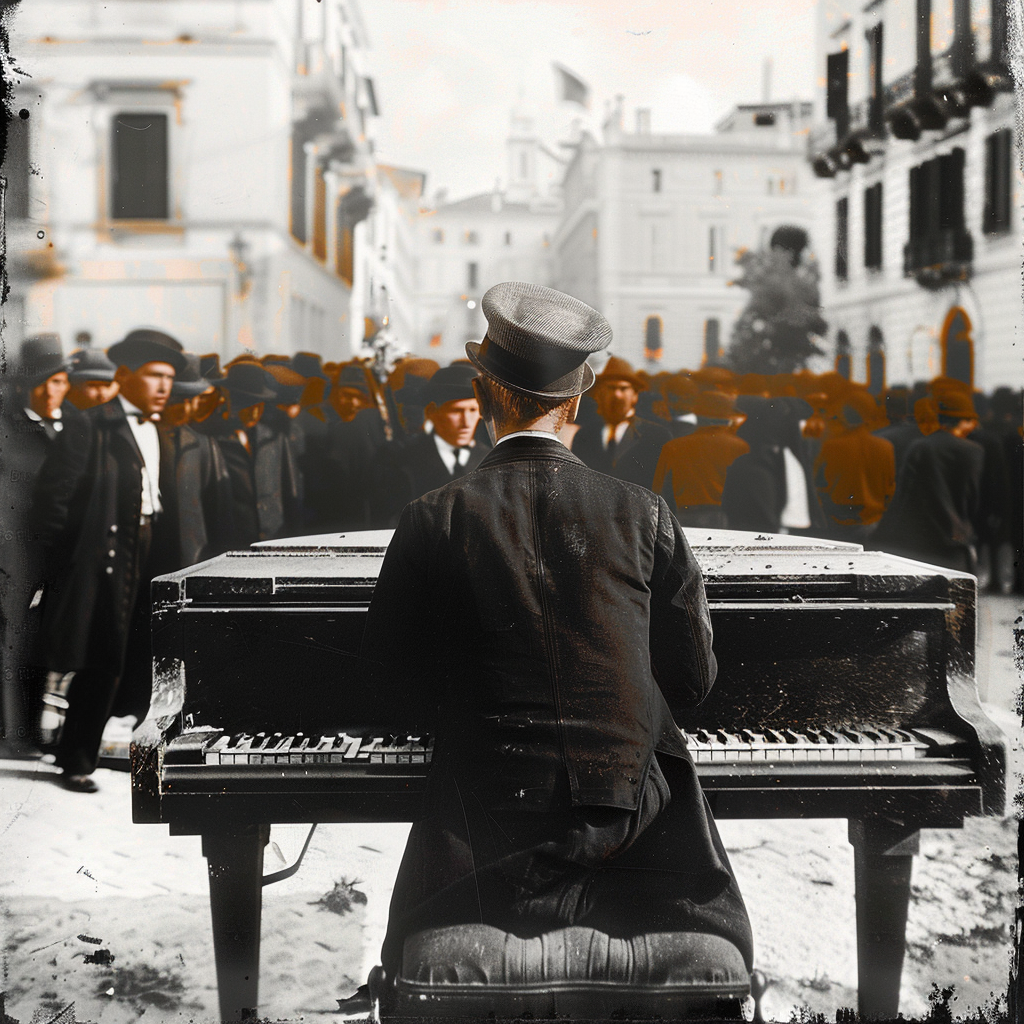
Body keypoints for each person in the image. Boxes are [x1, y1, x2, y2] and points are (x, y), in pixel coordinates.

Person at [360, 281, 752, 1005]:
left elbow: (387, 681)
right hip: (636, 839)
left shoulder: (432, 516)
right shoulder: (645, 513)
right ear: (577, 403)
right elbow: (693, 684)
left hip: (479, 845)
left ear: (485, 393)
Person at [31, 329, 187, 792]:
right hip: (103, 555)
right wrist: (69, 563)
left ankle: (106, 746)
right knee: (101, 656)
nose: (163, 386)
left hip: (149, 548)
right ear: (124, 376)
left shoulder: (160, 427)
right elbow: (55, 500)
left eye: (168, 379)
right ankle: (77, 759)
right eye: (154, 376)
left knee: (136, 655)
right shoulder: (91, 424)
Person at [0, 336, 76, 756]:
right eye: (41, 383)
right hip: (15, 553)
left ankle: (37, 730)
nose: (51, 391)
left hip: (61, 552)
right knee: (14, 642)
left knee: (49, 640)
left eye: (59, 381)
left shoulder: (76, 426)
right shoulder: (9, 429)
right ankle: (16, 734)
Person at [871, 388, 984, 572]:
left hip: (922, 540)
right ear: (963, 420)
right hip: (957, 540)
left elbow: (904, 494)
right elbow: (974, 498)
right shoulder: (974, 451)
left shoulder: (920, 446)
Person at [375, 364, 489, 526]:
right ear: (431, 412)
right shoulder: (401, 460)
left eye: (472, 410)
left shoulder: (488, 459)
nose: (466, 423)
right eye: (456, 411)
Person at [569, 356, 671, 489]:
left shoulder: (657, 435)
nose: (617, 395)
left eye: (623, 389)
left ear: (635, 395)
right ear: (600, 394)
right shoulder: (584, 435)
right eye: (611, 388)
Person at [652, 390, 749, 527]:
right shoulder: (741, 447)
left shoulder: (673, 447)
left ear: (697, 415)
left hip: (683, 519)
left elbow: (658, 493)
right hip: (726, 520)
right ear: (729, 417)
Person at [813, 389, 895, 543]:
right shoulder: (885, 447)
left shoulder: (831, 446)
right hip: (872, 523)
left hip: (837, 523)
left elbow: (819, 484)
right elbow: (889, 488)